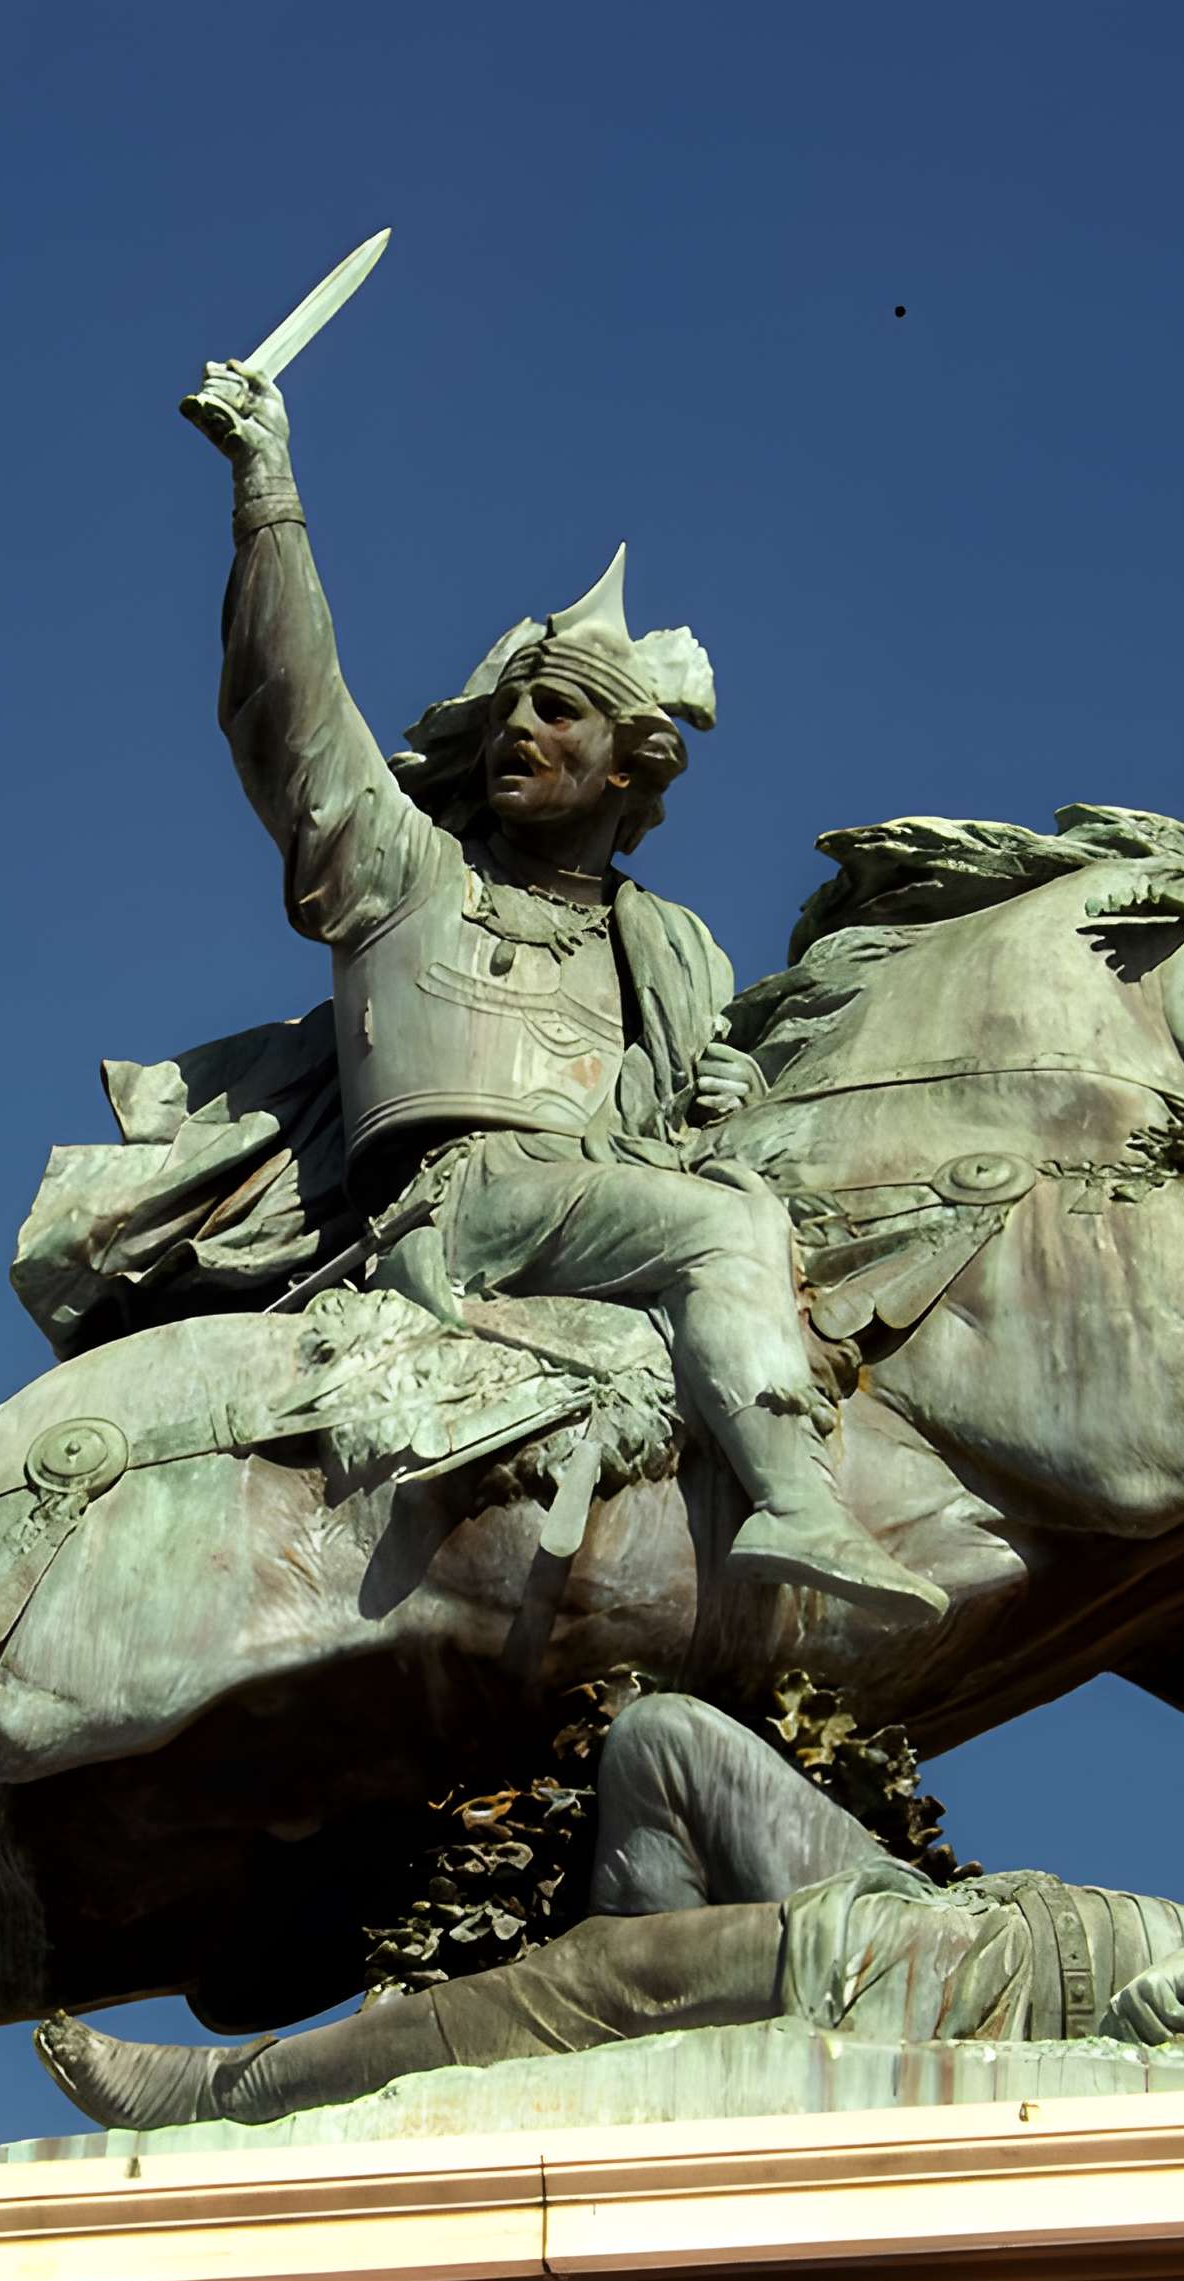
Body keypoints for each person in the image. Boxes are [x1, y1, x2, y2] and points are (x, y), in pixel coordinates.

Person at [170, 358, 943, 1613]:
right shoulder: (409, 874)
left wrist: (716, 1101)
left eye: (561, 713)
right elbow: (290, 711)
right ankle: (796, 1503)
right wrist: (269, 492)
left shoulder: (673, 948)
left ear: (629, 768)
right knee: (720, 1226)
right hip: (454, 1207)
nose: (523, 726)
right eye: (514, 708)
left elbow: (687, 1132)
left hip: (605, 1205)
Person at [37, 1694, 1184, 2129]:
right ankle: (610, 2011)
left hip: (930, 1984)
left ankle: (223, 2090)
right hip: (940, 1906)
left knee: (568, 1988)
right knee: (661, 1739)